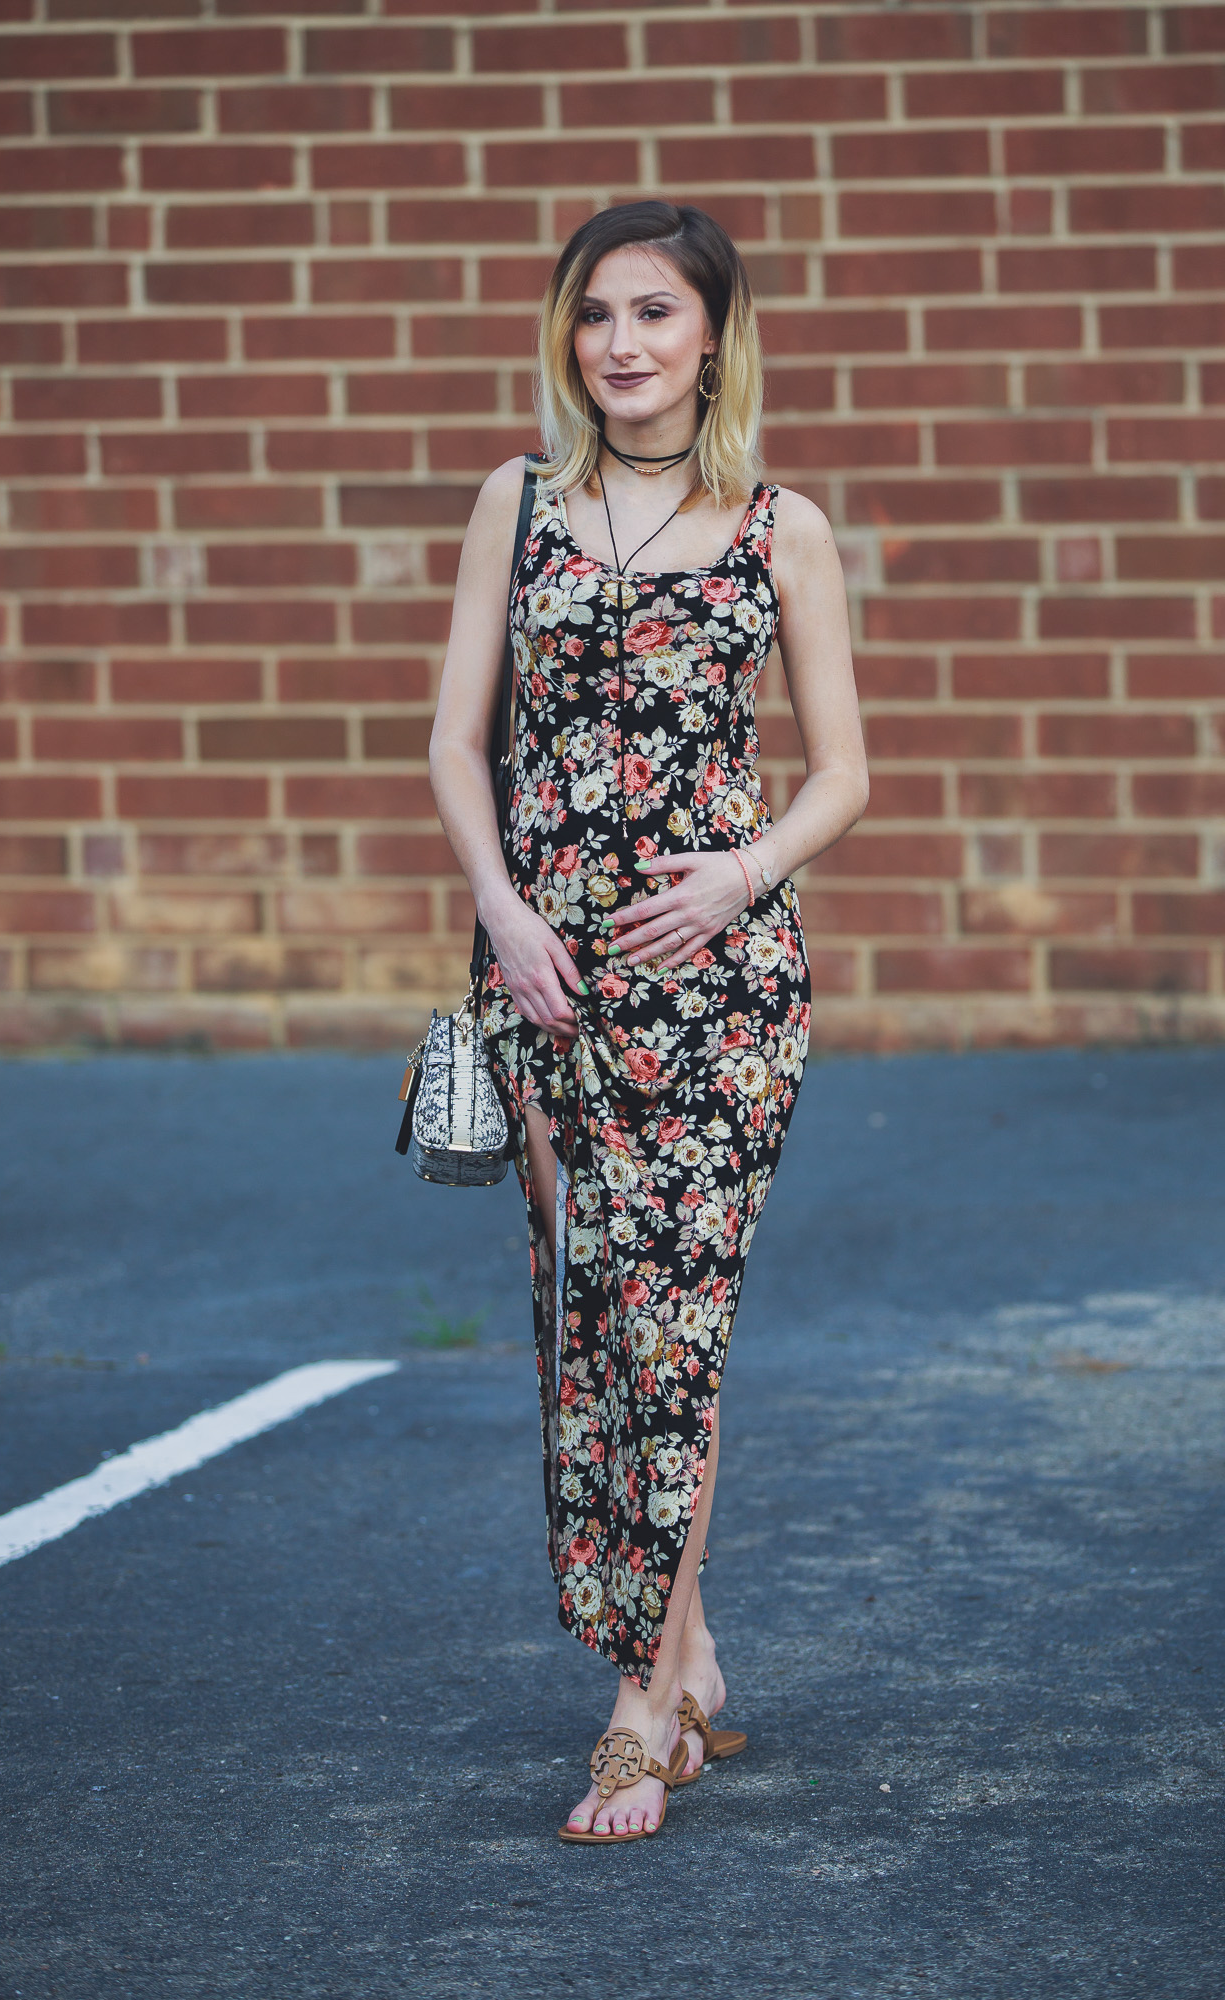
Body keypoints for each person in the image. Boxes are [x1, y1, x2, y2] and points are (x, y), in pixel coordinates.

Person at [429, 200, 869, 1843]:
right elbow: (455, 742)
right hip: (538, 973)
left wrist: (739, 874)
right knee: (590, 1332)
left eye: (655, 314)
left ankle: (634, 1705)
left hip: (716, 989)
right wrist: (499, 905)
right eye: (596, 313)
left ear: (711, 338)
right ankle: (686, 1653)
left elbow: (845, 772)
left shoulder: (777, 528)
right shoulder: (518, 504)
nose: (620, 343)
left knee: (669, 1325)